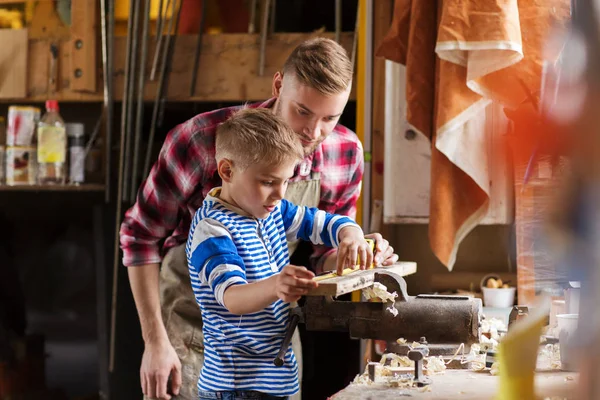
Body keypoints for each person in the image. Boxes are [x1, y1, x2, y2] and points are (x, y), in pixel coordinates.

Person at [120, 37, 399, 400]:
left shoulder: (344, 151)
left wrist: (358, 252)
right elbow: (140, 237)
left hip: (272, 341)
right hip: (197, 333)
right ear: (279, 84)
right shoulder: (202, 139)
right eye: (302, 111)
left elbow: (322, 257)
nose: (313, 133)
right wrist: (155, 342)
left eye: (330, 117)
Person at [187, 108, 373, 399]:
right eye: (267, 182)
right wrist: (276, 286)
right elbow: (233, 298)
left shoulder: (271, 211)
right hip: (238, 384)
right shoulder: (213, 229)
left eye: (286, 181)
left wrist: (352, 235)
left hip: (274, 376)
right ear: (227, 170)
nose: (280, 194)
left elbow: (323, 222)